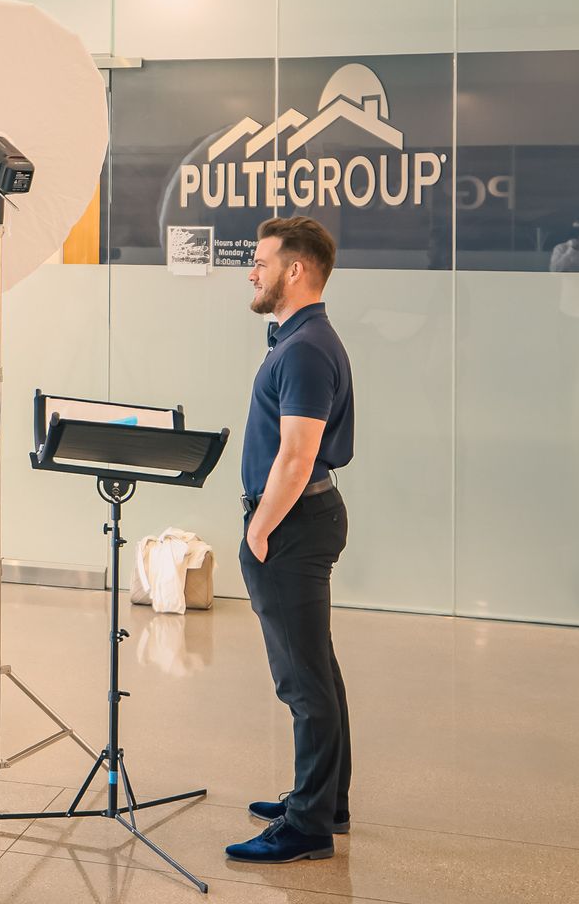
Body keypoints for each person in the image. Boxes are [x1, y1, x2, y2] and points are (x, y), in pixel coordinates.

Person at [226, 216, 354, 866]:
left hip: (293, 522)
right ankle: (326, 801)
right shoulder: (301, 338)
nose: (252, 270)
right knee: (318, 669)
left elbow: (297, 455)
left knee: (303, 681)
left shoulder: (304, 348)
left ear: (295, 270)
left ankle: (307, 825)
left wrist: (259, 527)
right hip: (305, 518)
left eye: (261, 259)